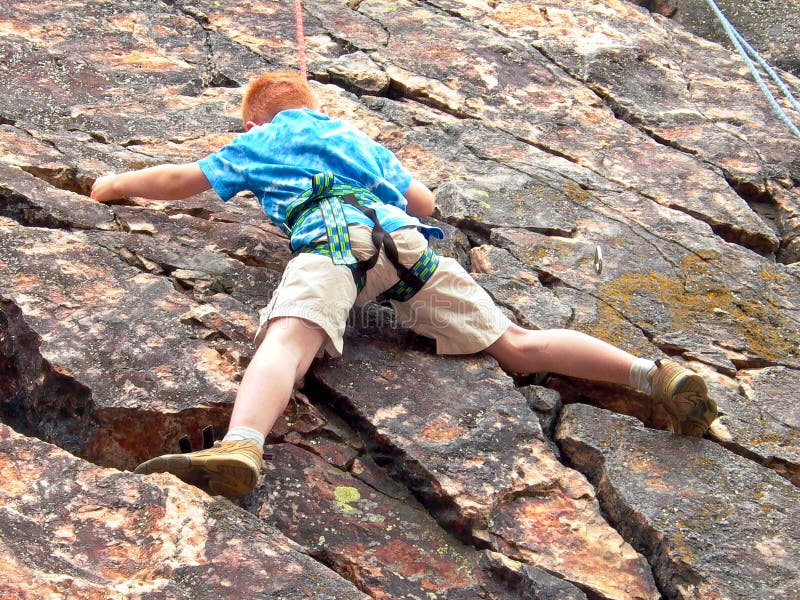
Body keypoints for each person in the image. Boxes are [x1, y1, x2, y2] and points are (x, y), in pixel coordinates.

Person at [90, 72, 718, 499]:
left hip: (331, 239)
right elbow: (425, 199)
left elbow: (180, 179)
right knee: (517, 345)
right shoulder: (355, 138)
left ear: (257, 119)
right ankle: (652, 374)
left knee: (288, 343)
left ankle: (242, 446)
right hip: (405, 245)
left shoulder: (260, 140)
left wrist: (112, 186)